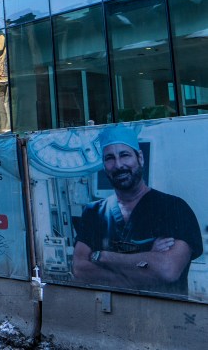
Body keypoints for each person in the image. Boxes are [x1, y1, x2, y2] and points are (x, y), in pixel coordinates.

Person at [72, 125, 203, 296]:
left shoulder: (174, 208)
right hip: (109, 314)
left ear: (140, 158)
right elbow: (79, 269)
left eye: (124, 155)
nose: (118, 165)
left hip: (164, 316)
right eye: (109, 158)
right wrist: (147, 261)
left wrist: (103, 257)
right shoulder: (94, 213)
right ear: (104, 165)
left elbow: (167, 270)